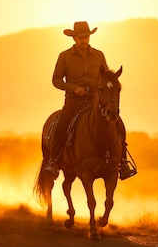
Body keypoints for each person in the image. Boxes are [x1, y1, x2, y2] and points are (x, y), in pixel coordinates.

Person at [43, 21, 137, 180]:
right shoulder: (64, 57)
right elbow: (56, 80)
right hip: (73, 101)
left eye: (86, 37)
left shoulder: (99, 55)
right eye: (80, 38)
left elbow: (105, 75)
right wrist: (74, 88)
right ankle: (53, 161)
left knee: (118, 124)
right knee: (61, 125)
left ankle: (123, 162)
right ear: (74, 39)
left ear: (89, 37)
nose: (83, 41)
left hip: (96, 100)